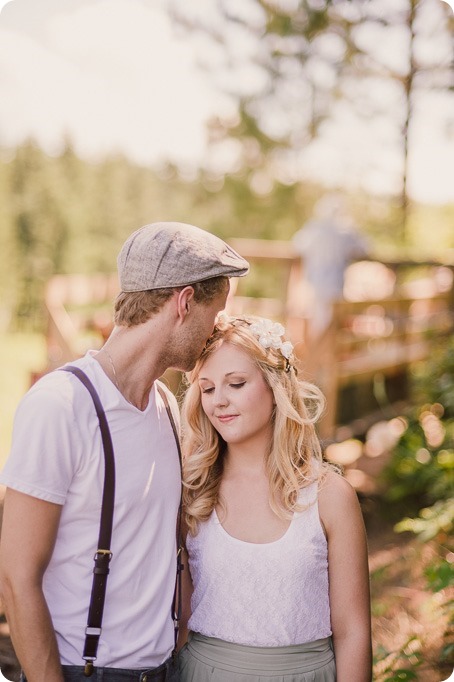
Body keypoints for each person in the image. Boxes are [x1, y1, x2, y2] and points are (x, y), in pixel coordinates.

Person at [0, 222, 249, 682]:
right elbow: (16, 578)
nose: (216, 332)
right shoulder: (62, 405)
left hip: (164, 669)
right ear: (185, 301)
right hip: (83, 672)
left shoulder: (167, 408)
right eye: (216, 313)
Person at [178, 314, 372, 682]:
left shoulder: (330, 497)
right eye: (207, 388)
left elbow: (354, 633)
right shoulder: (194, 490)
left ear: (275, 387)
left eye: (235, 383)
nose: (219, 401)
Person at [292, 194, 369, 338]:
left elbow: (297, 245)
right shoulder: (345, 230)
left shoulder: (314, 228)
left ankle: (316, 356)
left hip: (315, 284)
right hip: (335, 286)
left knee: (318, 322)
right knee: (327, 323)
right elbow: (365, 248)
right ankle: (321, 357)